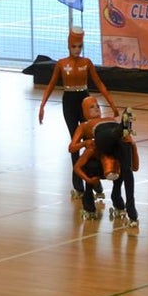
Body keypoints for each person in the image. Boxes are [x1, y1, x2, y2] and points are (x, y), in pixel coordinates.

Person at [38, 26, 120, 200]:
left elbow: (99, 84)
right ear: (69, 46)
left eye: (79, 46)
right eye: (74, 46)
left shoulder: (87, 63)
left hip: (84, 99)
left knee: (91, 140)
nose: (77, 50)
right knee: (74, 140)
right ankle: (77, 183)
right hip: (68, 101)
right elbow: (51, 85)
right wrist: (42, 105)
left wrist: (112, 104)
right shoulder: (61, 64)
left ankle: (94, 179)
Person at [70, 96, 138, 225]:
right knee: (105, 136)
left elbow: (135, 167)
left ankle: (132, 210)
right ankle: (121, 128)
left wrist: (132, 144)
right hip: (102, 139)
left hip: (116, 141)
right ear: (84, 112)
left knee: (127, 168)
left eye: (97, 105)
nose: (96, 108)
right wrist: (86, 142)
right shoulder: (84, 125)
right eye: (91, 107)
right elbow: (72, 147)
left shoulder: (110, 118)